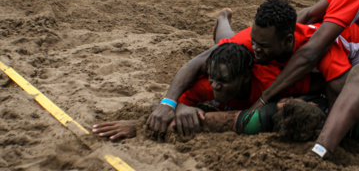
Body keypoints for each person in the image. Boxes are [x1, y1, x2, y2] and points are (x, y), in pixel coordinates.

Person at [145, 0, 351, 137]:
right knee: (227, 47)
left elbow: (338, 88)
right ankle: (222, 20)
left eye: (263, 46)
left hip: (345, 53)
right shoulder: (252, 42)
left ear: (287, 41)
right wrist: (170, 103)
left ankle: (223, 23)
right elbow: (197, 63)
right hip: (256, 54)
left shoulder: (320, 47)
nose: (255, 49)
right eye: (254, 42)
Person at [242, 0, 359, 159]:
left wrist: (264, 99)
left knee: (348, 75)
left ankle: (320, 153)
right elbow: (306, 16)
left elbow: (311, 51)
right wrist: (257, 40)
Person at [93, 43, 326, 140]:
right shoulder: (206, 86)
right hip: (230, 54)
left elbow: (320, 83)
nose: (215, 87)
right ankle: (222, 19)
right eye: (212, 80)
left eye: (222, 82)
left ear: (245, 78)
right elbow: (166, 107)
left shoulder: (270, 80)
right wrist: (180, 106)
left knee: (227, 37)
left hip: (246, 54)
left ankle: (224, 20)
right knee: (223, 42)